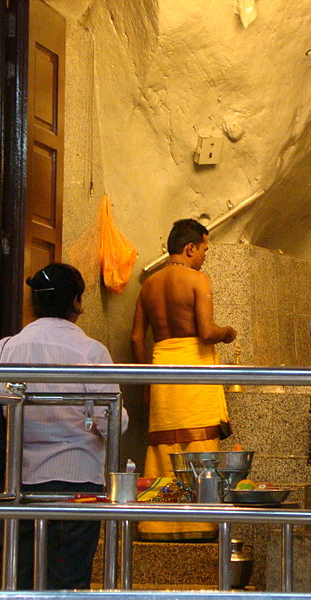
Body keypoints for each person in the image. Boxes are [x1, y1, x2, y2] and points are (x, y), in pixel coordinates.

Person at [0, 263, 129, 589]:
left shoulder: (5, 350)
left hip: (18, 486)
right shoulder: (90, 352)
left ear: (33, 303)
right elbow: (114, 423)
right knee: (68, 583)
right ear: (78, 302)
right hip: (79, 486)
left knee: (19, 581)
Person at [130, 218, 236, 541]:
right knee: (199, 441)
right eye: (204, 250)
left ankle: (157, 525)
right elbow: (206, 332)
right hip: (193, 367)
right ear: (190, 248)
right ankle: (199, 525)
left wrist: (148, 379)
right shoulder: (197, 279)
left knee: (164, 445)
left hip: (161, 367)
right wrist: (228, 333)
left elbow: (136, 339)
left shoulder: (148, 285)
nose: (204, 257)